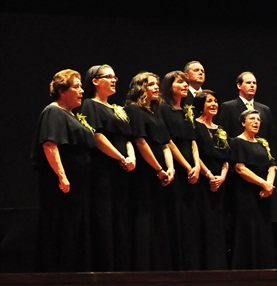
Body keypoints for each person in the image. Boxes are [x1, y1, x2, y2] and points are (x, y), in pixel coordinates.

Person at [30, 69, 95, 272]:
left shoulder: (71, 114)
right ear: (61, 90)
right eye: (76, 87)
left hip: (78, 186)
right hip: (62, 187)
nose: (82, 90)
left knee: (74, 229)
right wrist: (62, 176)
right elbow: (50, 144)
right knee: (62, 227)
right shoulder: (54, 111)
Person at [80, 64, 135, 271]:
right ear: (95, 81)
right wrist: (121, 157)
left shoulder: (117, 108)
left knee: (121, 219)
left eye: (115, 77)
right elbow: (96, 136)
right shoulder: (89, 105)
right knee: (105, 218)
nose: (114, 80)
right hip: (104, 171)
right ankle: (105, 268)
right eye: (109, 77)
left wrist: (131, 157)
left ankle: (122, 267)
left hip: (123, 171)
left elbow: (128, 137)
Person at [126, 71, 175, 271]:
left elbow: (165, 144)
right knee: (144, 218)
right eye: (151, 84)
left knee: (159, 219)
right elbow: (140, 141)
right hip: (146, 173)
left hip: (162, 174)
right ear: (141, 88)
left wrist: (170, 169)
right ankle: (143, 267)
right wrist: (158, 169)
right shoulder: (134, 110)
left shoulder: (155, 113)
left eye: (157, 84)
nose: (157, 87)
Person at [159, 70, 204, 270]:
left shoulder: (188, 110)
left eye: (186, 82)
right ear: (170, 87)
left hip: (192, 169)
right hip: (177, 167)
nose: (185, 85)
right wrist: (186, 167)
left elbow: (193, 141)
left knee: (191, 216)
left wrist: (196, 166)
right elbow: (167, 141)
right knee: (176, 214)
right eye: (180, 82)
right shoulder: (163, 109)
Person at [228, 108, 277, 269]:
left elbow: (272, 167)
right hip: (246, 193)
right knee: (247, 228)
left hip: (264, 195)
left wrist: (269, 184)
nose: (256, 122)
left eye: (258, 120)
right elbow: (240, 168)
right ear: (243, 123)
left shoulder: (263, 143)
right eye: (252, 119)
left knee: (263, 229)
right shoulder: (237, 142)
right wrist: (263, 184)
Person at [193, 89, 231, 270]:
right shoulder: (195, 125)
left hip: (220, 183)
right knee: (204, 224)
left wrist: (222, 177)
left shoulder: (220, 129)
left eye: (215, 101)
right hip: (202, 181)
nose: (214, 104)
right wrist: (209, 175)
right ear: (201, 106)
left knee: (219, 226)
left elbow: (226, 158)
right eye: (209, 101)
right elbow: (194, 154)